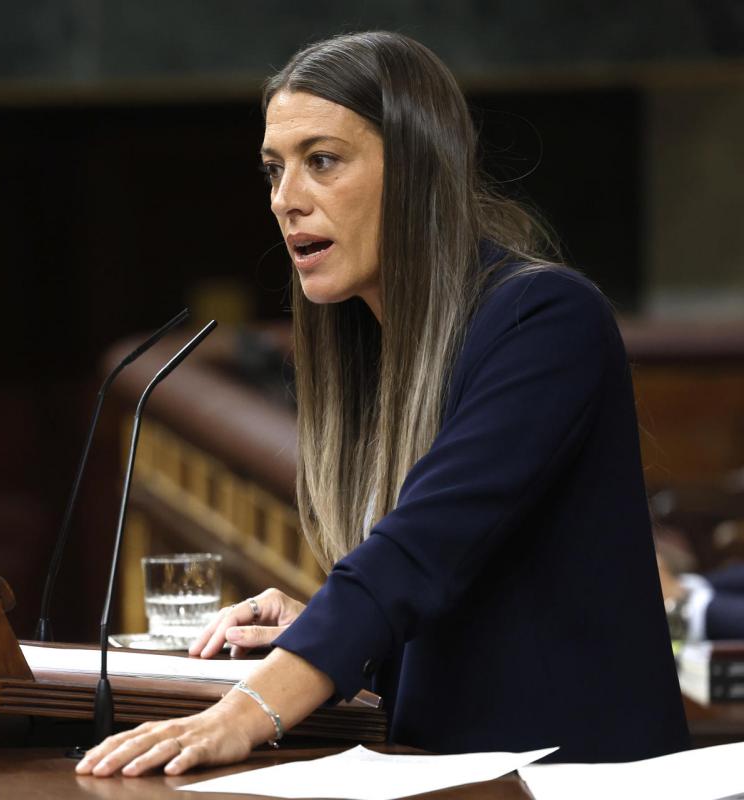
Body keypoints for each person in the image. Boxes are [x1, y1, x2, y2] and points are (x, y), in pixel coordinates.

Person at [76, 30, 688, 778]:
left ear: (417, 172)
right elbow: (470, 605)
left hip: (579, 782)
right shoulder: (372, 346)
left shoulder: (547, 319)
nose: (285, 199)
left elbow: (424, 551)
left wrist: (247, 710)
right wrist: (338, 637)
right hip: (455, 773)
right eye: (274, 169)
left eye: (321, 162)